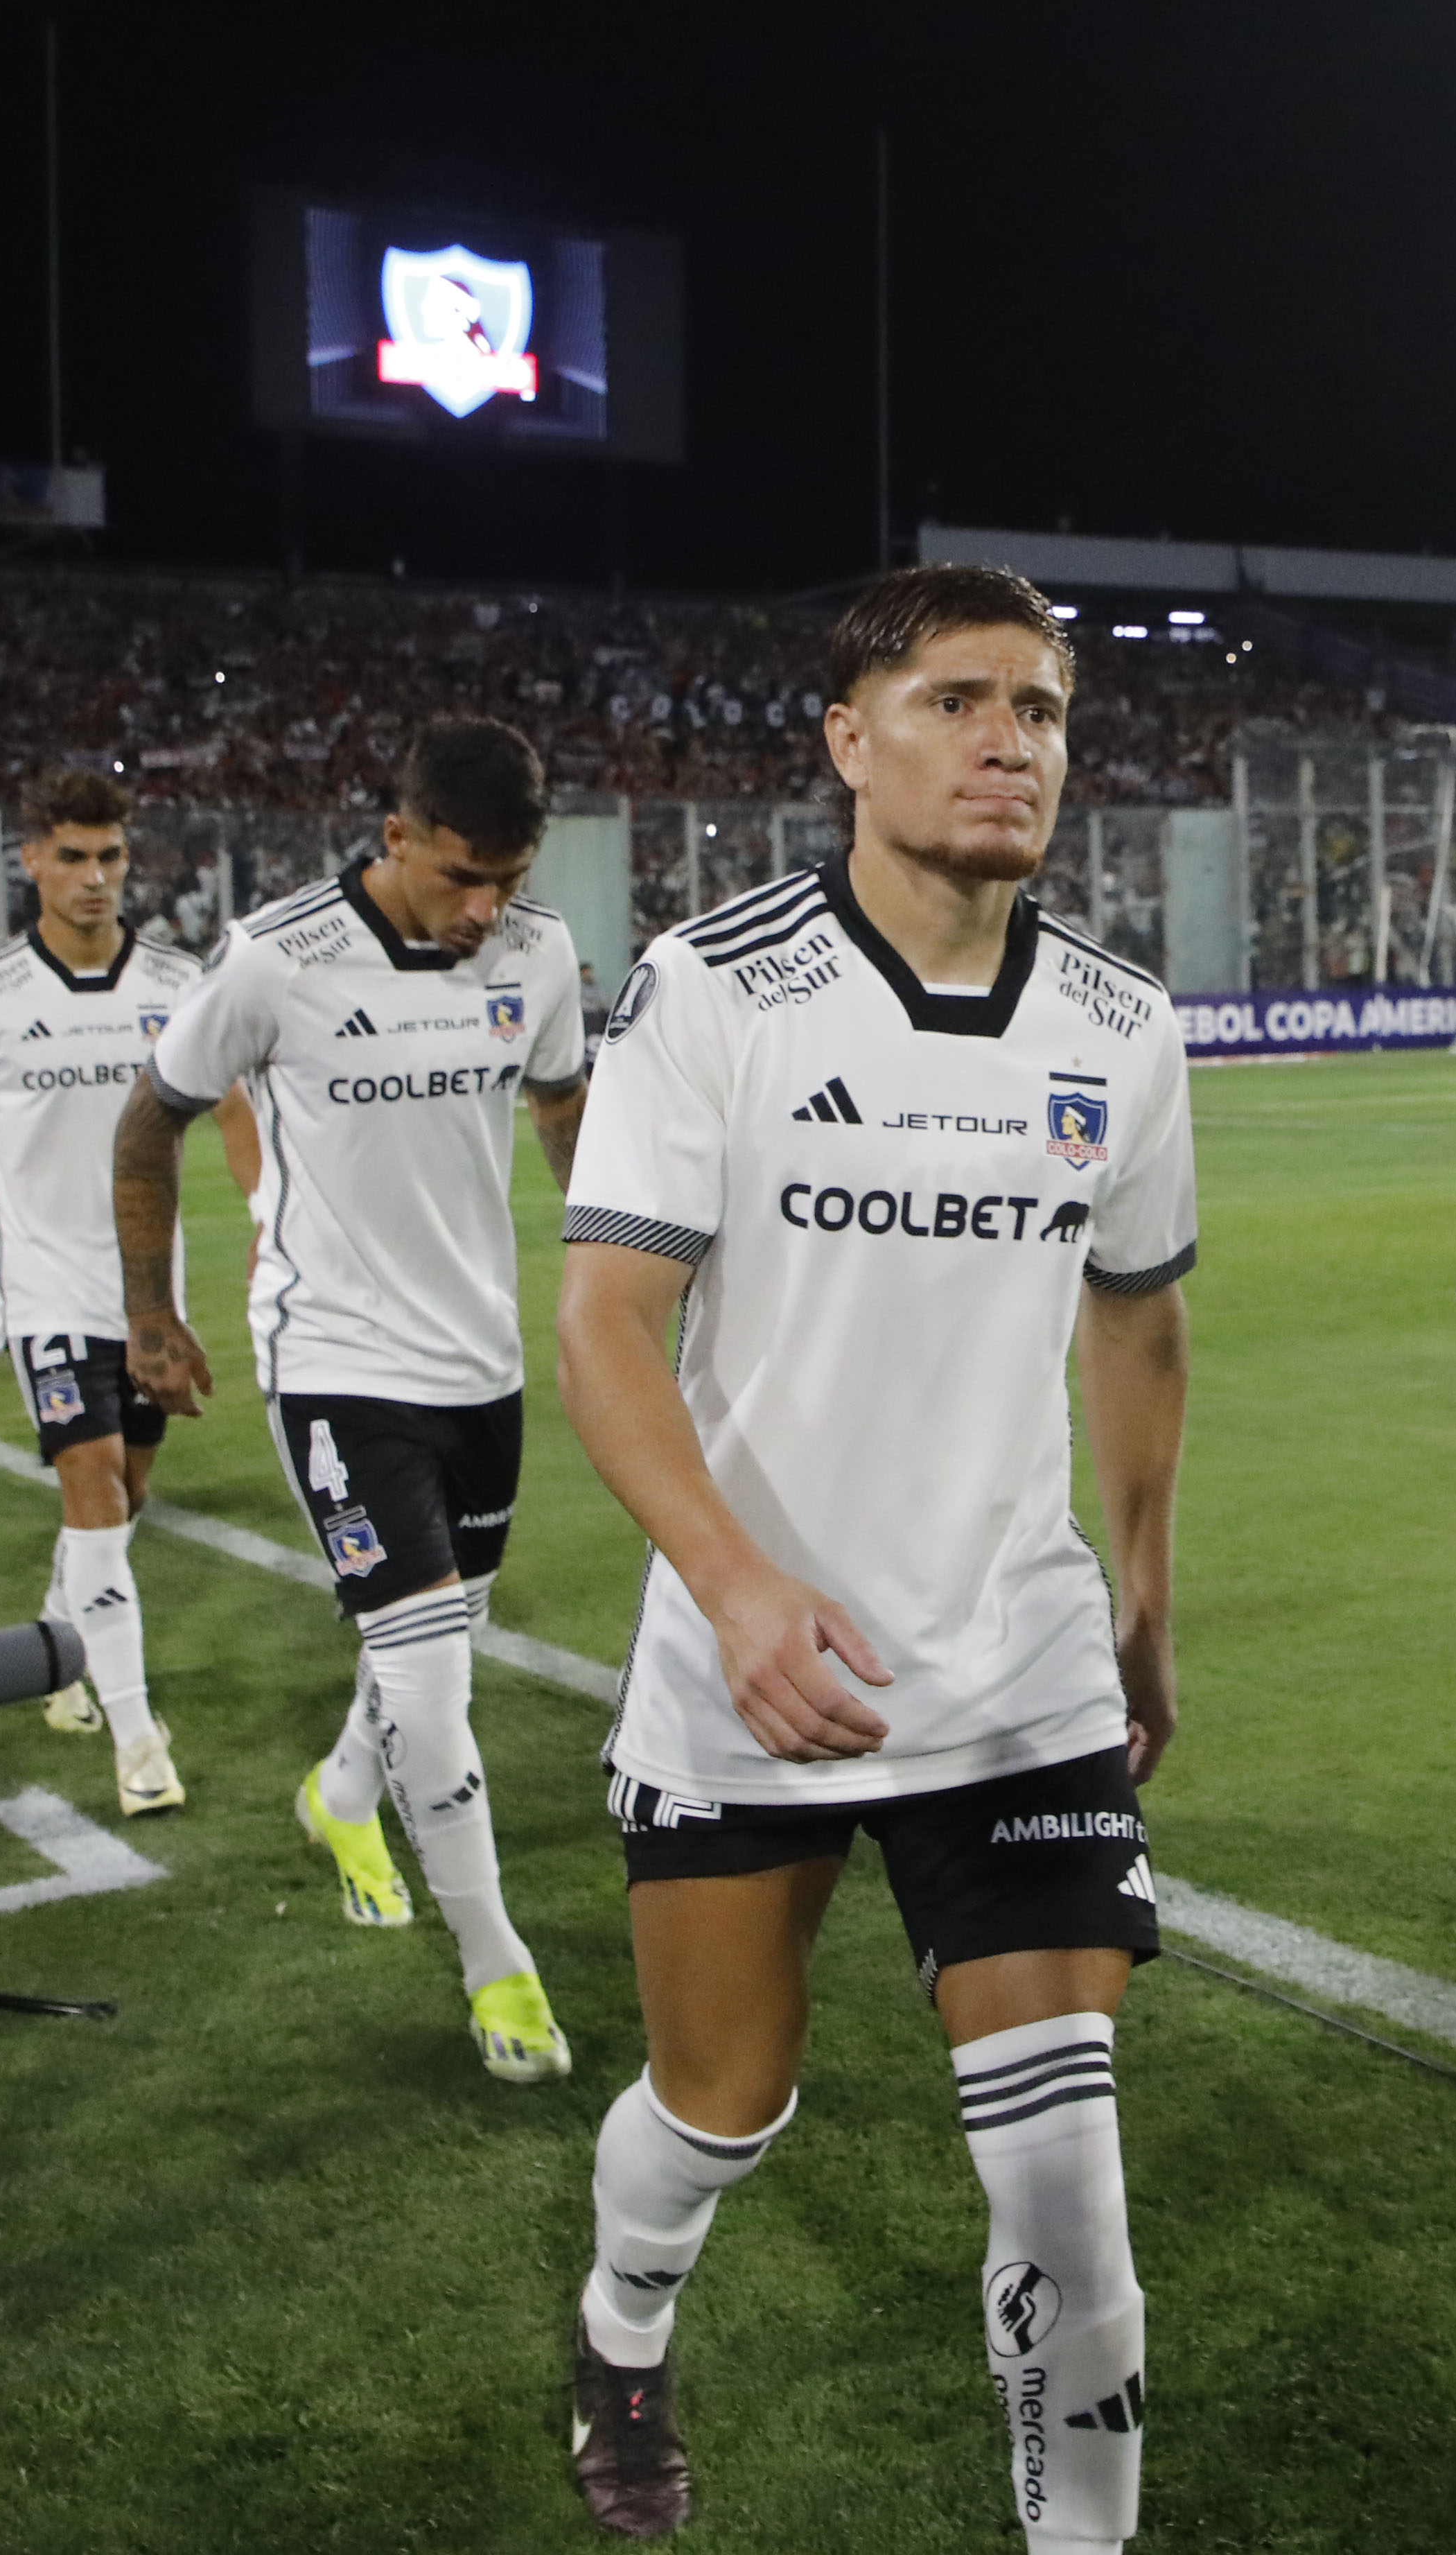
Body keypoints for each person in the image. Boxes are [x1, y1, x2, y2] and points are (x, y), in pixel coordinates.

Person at [547, 566, 1195, 2549]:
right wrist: (739, 1589)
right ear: (848, 738)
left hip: (1018, 1670)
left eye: (1046, 710)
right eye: (958, 700)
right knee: (719, 2107)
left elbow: (1142, 1321)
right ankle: (621, 2325)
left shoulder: (1122, 1022)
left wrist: (1146, 1607)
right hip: (762, 1676)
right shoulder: (716, 991)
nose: (1014, 740)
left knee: (1069, 2189)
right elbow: (603, 1327)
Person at [120, 717, 589, 2083]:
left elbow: (562, 1108)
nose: (485, 903)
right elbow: (149, 1121)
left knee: (432, 1639)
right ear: (395, 838)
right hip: (332, 1362)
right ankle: (499, 1968)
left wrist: (628, 1254)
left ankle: (339, 1795)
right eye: (460, 873)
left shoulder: (537, 951)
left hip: (478, 1364)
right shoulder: (279, 958)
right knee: (438, 1677)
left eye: (508, 873)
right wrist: (152, 1312)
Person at [0, 771, 213, 1818]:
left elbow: (243, 1106)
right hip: (41, 1286)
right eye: (72, 856)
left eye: (111, 856)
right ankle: (136, 1738)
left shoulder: (177, 983)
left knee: (127, 1494)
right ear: (30, 858)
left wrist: (268, 1224)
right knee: (93, 1488)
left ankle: (63, 1642)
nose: (94, 877)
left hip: (147, 1290)